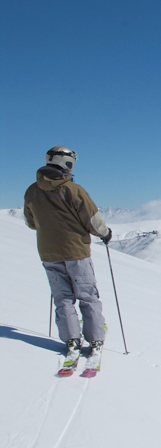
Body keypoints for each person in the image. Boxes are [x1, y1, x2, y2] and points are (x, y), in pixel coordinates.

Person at [23, 146, 112, 369]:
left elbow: (31, 222)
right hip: (76, 252)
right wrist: (106, 234)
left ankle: (71, 339)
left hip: (48, 253)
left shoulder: (31, 192)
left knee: (62, 297)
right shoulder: (73, 190)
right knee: (87, 295)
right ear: (66, 164)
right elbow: (92, 220)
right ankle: (95, 339)